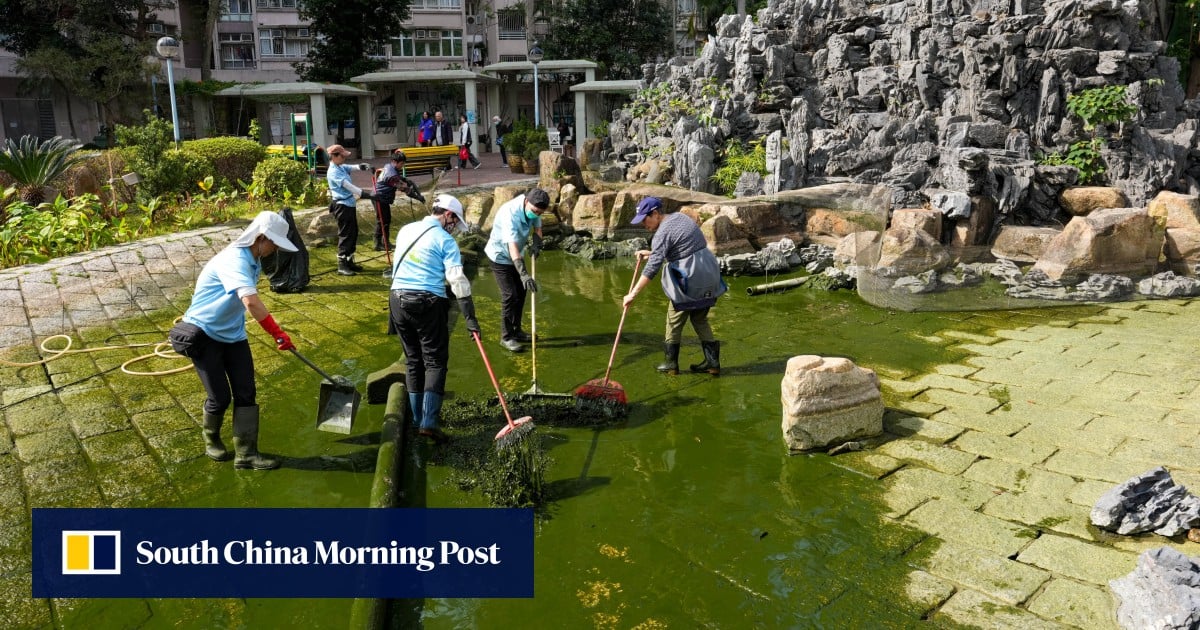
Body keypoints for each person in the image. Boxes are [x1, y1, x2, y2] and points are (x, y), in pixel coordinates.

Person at [169, 212, 299, 470]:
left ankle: (247, 454)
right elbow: (250, 302)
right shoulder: (234, 260)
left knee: (246, 393)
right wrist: (277, 332)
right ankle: (211, 438)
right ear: (260, 238)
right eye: (273, 243)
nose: (274, 249)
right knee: (220, 397)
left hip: (233, 334)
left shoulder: (253, 259)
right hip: (204, 334)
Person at [389, 194, 480, 444]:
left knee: (413, 360)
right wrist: (471, 319)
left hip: (397, 300)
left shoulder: (406, 230)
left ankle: (418, 418)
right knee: (435, 361)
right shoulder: (445, 241)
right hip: (427, 302)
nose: (454, 228)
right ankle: (429, 422)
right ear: (448, 215)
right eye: (454, 222)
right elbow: (458, 282)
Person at [622, 197, 727, 376]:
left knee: (674, 319)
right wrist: (653, 253)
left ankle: (671, 364)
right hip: (708, 272)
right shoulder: (681, 218)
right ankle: (712, 363)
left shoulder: (661, 234)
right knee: (700, 318)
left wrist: (633, 293)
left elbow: (652, 268)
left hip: (690, 278)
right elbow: (683, 245)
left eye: (645, 219)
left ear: (655, 213)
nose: (644, 225)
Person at [485, 188, 549, 352]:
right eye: (535, 211)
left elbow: (538, 229)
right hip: (500, 256)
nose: (536, 215)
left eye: (539, 213)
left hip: (516, 255)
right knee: (510, 295)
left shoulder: (534, 210)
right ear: (527, 202)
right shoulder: (510, 213)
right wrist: (524, 274)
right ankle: (506, 337)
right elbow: (512, 246)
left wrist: (537, 243)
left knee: (521, 292)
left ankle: (517, 330)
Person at [325, 144, 374, 276]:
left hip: (349, 204)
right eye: (342, 156)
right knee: (346, 234)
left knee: (353, 232)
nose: (345, 158)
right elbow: (349, 187)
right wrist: (366, 194)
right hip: (342, 206)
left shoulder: (340, 166)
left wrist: (361, 166)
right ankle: (342, 264)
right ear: (334, 156)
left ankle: (350, 260)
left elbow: (350, 167)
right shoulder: (333, 172)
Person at [372, 149, 426, 252]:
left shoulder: (389, 166)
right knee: (382, 221)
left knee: (386, 220)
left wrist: (405, 179)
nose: (402, 166)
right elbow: (407, 191)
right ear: (395, 162)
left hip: (382, 197)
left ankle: (385, 242)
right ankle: (378, 244)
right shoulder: (393, 176)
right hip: (379, 197)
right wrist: (419, 198)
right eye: (401, 164)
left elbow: (398, 178)